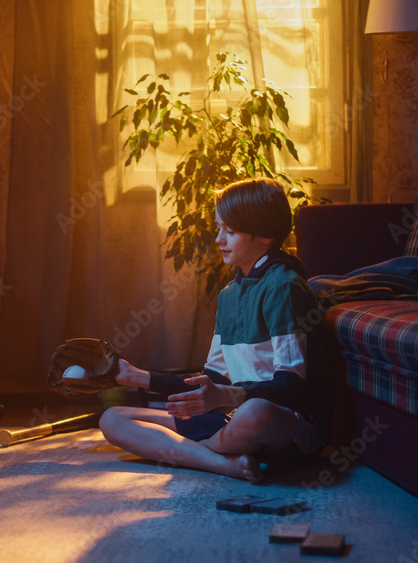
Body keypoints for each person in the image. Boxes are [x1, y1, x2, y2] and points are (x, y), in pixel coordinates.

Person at [99, 178, 322, 484]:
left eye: (230, 231)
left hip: (278, 425)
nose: (219, 239)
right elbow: (212, 380)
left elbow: (293, 387)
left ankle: (196, 452)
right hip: (229, 418)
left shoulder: (284, 286)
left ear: (265, 235)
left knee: (254, 413)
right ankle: (224, 464)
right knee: (112, 419)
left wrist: (226, 396)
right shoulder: (229, 295)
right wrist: (138, 377)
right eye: (219, 228)